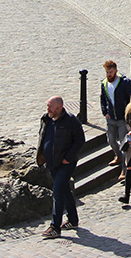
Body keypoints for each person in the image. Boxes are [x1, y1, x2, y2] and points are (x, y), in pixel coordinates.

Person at [37, 96, 85, 239]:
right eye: (47, 106)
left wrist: (68, 157)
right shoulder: (47, 119)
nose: (48, 109)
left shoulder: (70, 121)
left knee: (57, 192)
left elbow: (80, 140)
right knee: (64, 190)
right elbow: (43, 136)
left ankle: (55, 227)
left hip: (66, 163)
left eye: (50, 107)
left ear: (59, 107)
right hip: (52, 163)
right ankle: (73, 219)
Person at [99, 60, 131, 177]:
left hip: (122, 118)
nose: (109, 74)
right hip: (111, 118)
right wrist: (105, 112)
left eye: (111, 72)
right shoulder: (104, 83)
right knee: (111, 140)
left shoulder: (124, 83)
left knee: (123, 143)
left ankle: (124, 168)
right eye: (107, 72)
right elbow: (103, 99)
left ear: (116, 71)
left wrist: (128, 114)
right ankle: (118, 156)